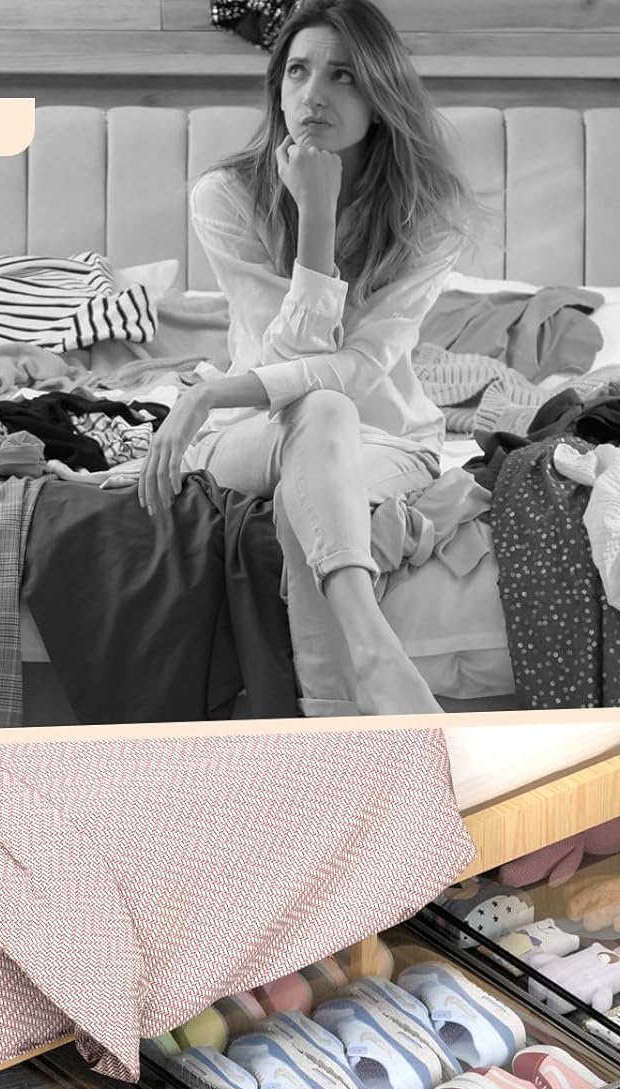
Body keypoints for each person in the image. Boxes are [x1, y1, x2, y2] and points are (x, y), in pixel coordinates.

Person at [139, 0, 473, 716]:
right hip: (247, 435)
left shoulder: (430, 216)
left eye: (343, 75)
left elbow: (360, 369)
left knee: (314, 478)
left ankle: (330, 715)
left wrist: (211, 391)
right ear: (276, 86)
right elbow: (288, 364)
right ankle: (377, 654)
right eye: (297, 71)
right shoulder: (226, 197)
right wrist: (314, 222)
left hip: (390, 441)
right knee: (318, 409)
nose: (313, 94)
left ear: (380, 97)